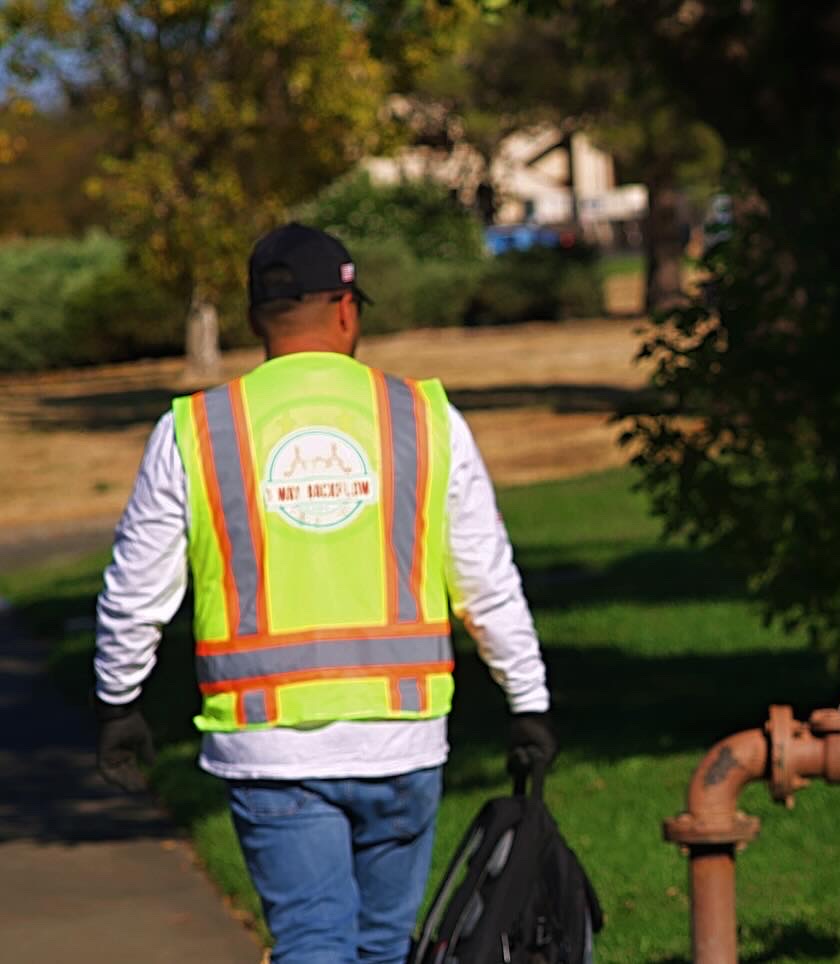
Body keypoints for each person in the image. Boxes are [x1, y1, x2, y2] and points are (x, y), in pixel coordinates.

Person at [91, 223, 556, 963]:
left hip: (268, 745)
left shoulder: (196, 430)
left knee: (312, 942)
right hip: (401, 735)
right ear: (345, 310)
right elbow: (487, 579)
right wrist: (528, 702)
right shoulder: (425, 418)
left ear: (255, 319)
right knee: (382, 948)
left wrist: (119, 701)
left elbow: (135, 590)